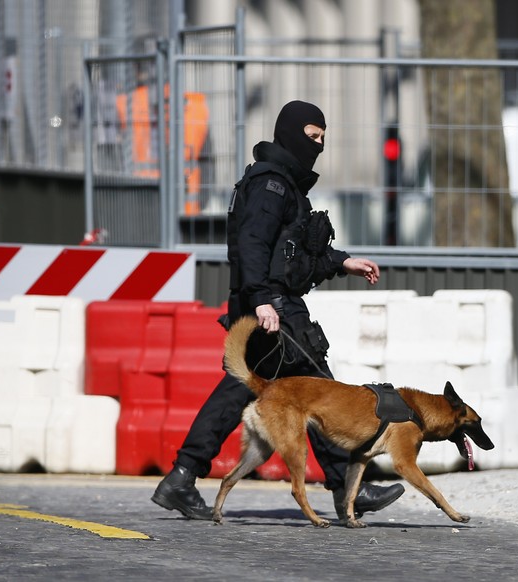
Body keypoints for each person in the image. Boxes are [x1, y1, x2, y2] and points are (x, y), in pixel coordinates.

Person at [151, 100, 404, 521]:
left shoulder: (284, 183)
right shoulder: (271, 185)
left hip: (271, 303)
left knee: (239, 391)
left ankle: (182, 477)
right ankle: (347, 487)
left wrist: (343, 262)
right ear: (289, 132)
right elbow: (252, 245)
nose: (319, 145)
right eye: (311, 136)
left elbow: (297, 252)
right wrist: (262, 299)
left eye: (323, 138)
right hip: (273, 308)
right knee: (321, 392)